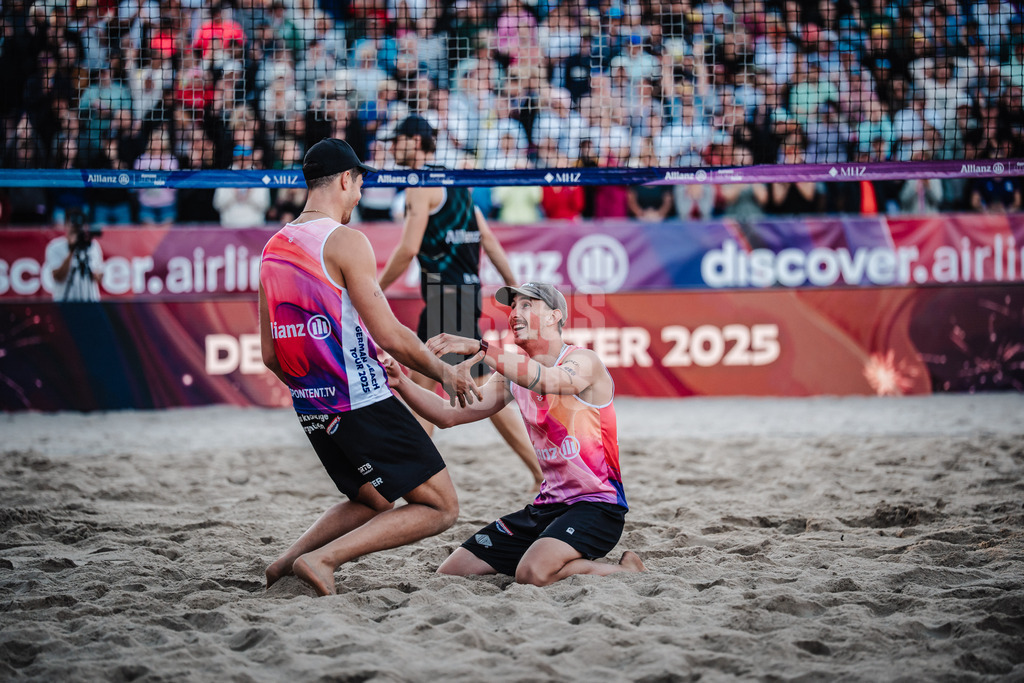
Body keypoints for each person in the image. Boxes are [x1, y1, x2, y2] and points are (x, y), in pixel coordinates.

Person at [258, 137, 483, 597]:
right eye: (359, 184)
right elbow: (391, 334)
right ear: (345, 180)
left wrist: (316, 389)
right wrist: (447, 373)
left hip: (312, 407)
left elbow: (269, 355)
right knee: (442, 507)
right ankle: (323, 559)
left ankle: (283, 564)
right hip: (360, 400)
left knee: (372, 498)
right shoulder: (344, 241)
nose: (359, 196)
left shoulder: (273, 248)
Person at [385, 283, 645, 587]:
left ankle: (628, 571)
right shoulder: (512, 376)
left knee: (532, 573)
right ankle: (556, 551)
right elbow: (448, 414)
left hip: (597, 506)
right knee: (453, 571)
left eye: (527, 305)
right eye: (513, 307)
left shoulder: (584, 361)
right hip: (546, 506)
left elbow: (550, 381)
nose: (514, 314)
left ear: (554, 316)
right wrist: (400, 381)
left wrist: (482, 349)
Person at [378, 115, 544, 490]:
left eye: (396, 141)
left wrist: (370, 290)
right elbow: (488, 239)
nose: (390, 148)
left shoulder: (420, 184)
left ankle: (539, 471)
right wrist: (514, 287)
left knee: (476, 392)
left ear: (416, 142)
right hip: (459, 294)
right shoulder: (456, 184)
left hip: (444, 296)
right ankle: (412, 475)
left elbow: (407, 249)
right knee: (422, 383)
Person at [45, 209, 103, 302]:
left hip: (90, 302)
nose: (76, 228)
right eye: (72, 223)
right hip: (65, 301)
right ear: (65, 225)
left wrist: (96, 275)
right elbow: (58, 276)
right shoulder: (55, 247)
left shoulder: (93, 245)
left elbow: (99, 277)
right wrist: (72, 250)